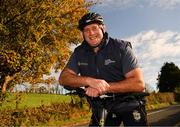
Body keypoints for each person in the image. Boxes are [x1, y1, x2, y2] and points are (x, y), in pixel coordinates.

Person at [59, 12, 148, 126]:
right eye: (86, 30)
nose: (91, 33)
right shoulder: (79, 53)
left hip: (130, 103)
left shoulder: (121, 47)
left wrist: (103, 88)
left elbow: (138, 83)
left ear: (103, 29)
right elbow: (63, 78)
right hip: (101, 106)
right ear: (83, 34)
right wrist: (89, 81)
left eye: (94, 28)